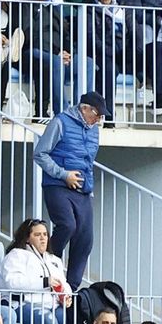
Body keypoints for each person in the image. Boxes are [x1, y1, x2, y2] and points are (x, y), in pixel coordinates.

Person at [35, 91, 104, 290]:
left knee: (86, 238)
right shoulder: (60, 122)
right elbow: (40, 154)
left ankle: (71, 287)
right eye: (97, 114)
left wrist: (88, 186)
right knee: (67, 225)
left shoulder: (94, 129)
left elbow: (88, 162)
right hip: (57, 185)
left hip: (82, 189)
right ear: (84, 109)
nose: (99, 119)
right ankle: (48, 265)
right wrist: (64, 175)